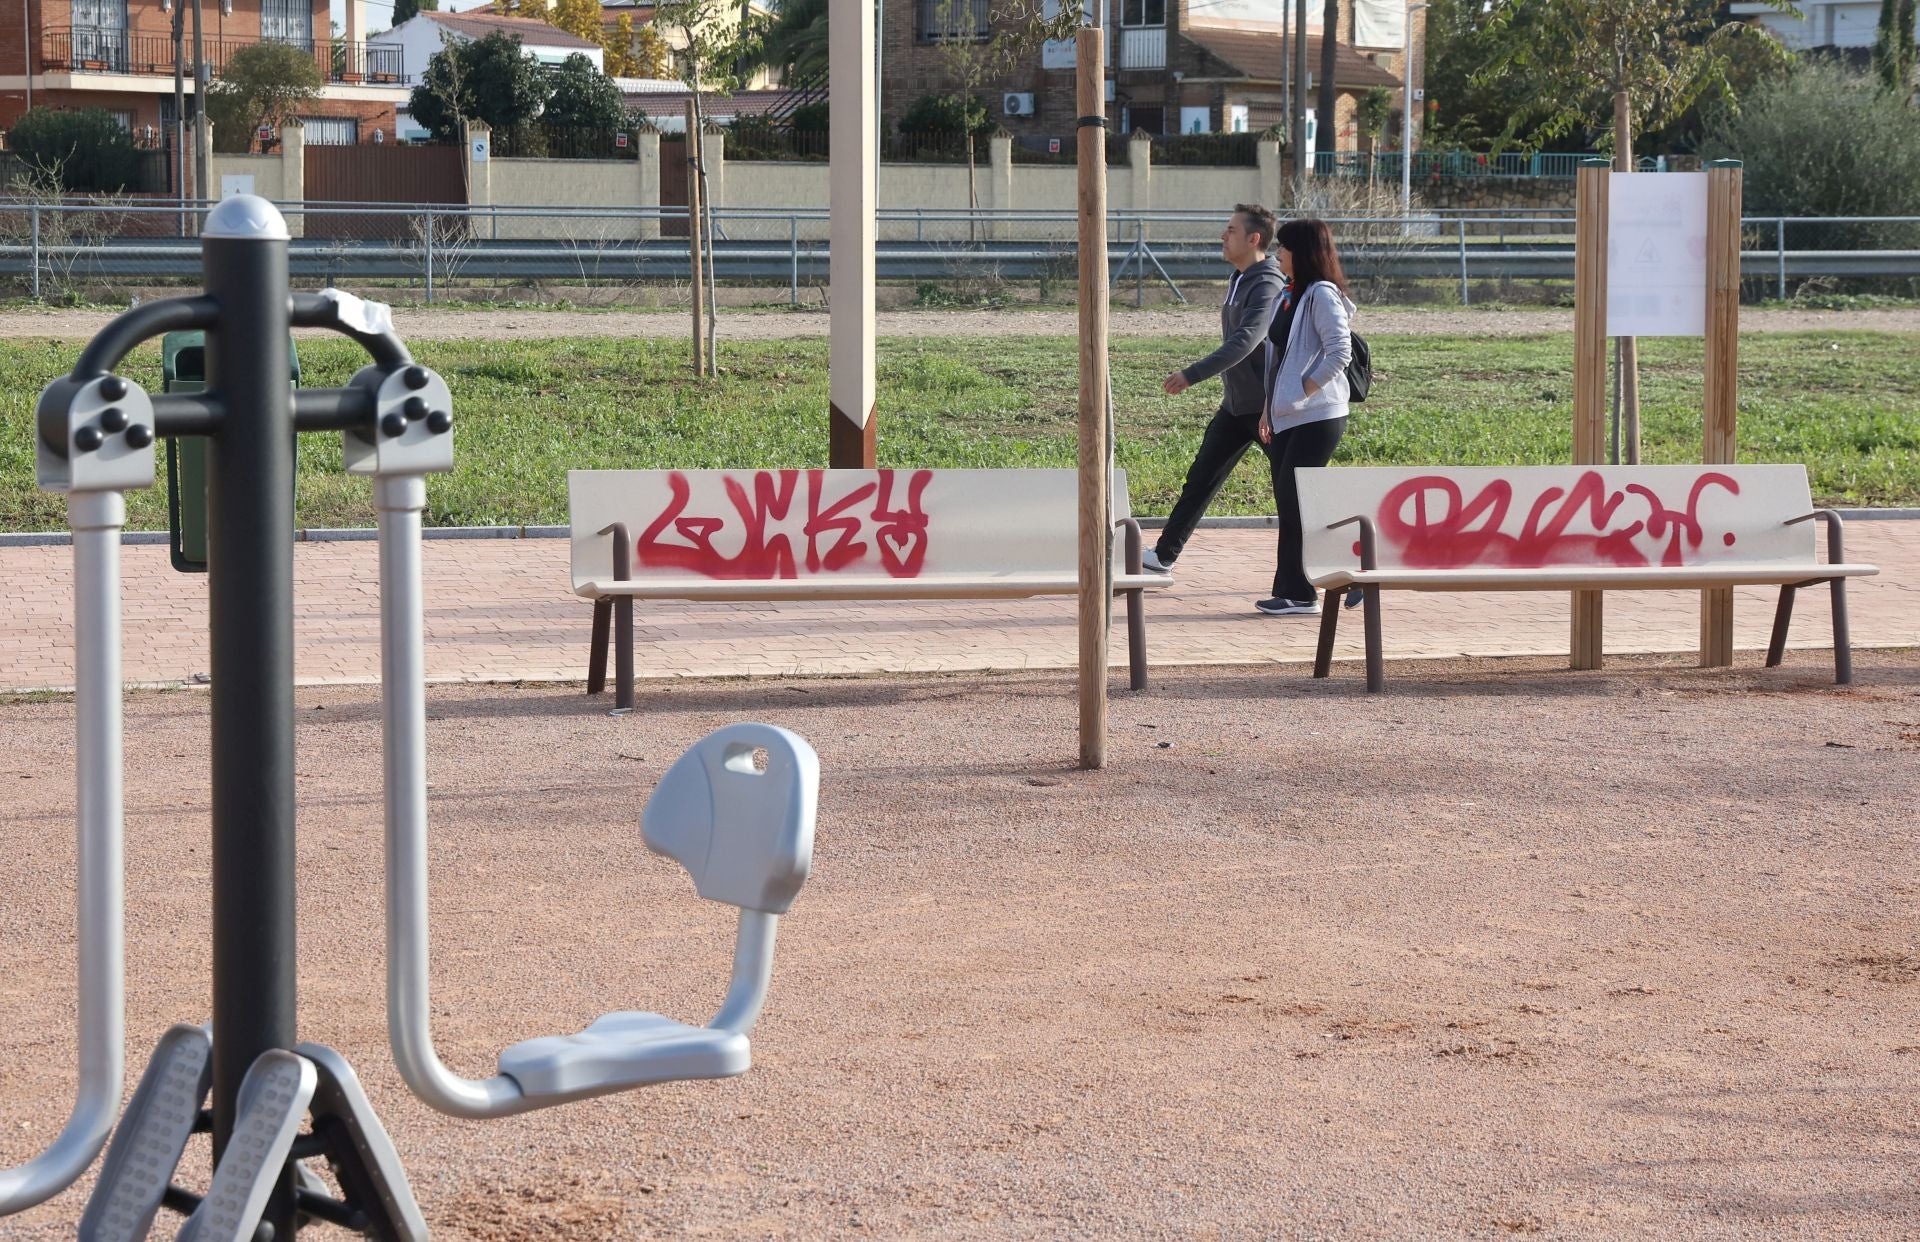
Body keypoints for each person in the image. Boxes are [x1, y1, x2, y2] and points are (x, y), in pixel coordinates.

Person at [1140, 204, 1285, 575]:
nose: (1223, 236)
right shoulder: (1240, 278)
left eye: (1231, 230)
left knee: (1296, 492)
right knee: (1201, 479)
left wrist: (1192, 374)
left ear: (1254, 239)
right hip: (1236, 407)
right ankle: (1164, 555)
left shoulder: (1267, 283)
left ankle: (1349, 569)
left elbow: (1246, 340)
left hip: (1269, 410)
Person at [1254, 216, 1356, 616]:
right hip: (1286, 415)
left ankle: (1308, 591)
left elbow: (1340, 351)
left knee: (1297, 502)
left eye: (1284, 247)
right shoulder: (1289, 293)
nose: (1277, 253)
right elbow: (1277, 356)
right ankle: (1295, 590)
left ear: (1303, 253)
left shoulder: (1321, 294)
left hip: (1318, 416)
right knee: (1290, 501)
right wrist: (1270, 407)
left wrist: (1303, 391)